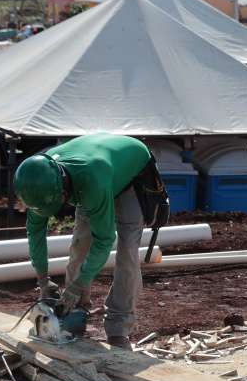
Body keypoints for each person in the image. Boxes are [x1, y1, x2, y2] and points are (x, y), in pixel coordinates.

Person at [14, 133, 153, 350]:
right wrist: (43, 280)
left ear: (62, 190)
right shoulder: (39, 180)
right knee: (79, 247)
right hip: (93, 173)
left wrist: (77, 285)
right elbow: (36, 233)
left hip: (129, 176)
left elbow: (105, 240)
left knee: (127, 255)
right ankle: (74, 314)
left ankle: (119, 329)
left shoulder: (90, 183)